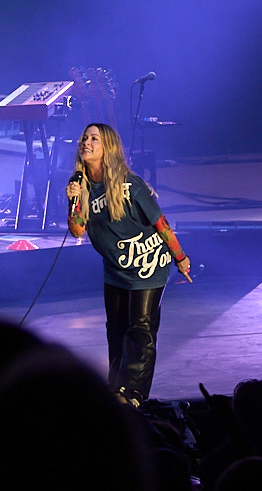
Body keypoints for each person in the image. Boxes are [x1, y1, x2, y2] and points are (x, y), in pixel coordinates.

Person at [65, 121, 191, 402]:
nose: (86, 142)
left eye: (94, 139)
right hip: (116, 269)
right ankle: (115, 387)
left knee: (141, 328)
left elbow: (161, 222)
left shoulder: (130, 184)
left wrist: (180, 257)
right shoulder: (80, 187)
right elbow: (77, 231)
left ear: (107, 147)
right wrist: (72, 201)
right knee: (116, 329)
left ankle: (134, 393)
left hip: (149, 263)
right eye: (85, 138)